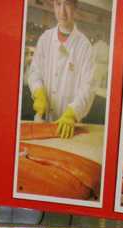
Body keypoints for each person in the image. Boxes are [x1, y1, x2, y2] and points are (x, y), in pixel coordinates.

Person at [27, 0, 95, 139]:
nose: (62, 11)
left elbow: (88, 88)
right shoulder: (45, 39)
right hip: (42, 122)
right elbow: (35, 73)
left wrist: (72, 113)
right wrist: (39, 93)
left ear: (75, 7)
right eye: (58, 4)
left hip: (68, 129)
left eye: (67, 4)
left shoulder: (85, 47)